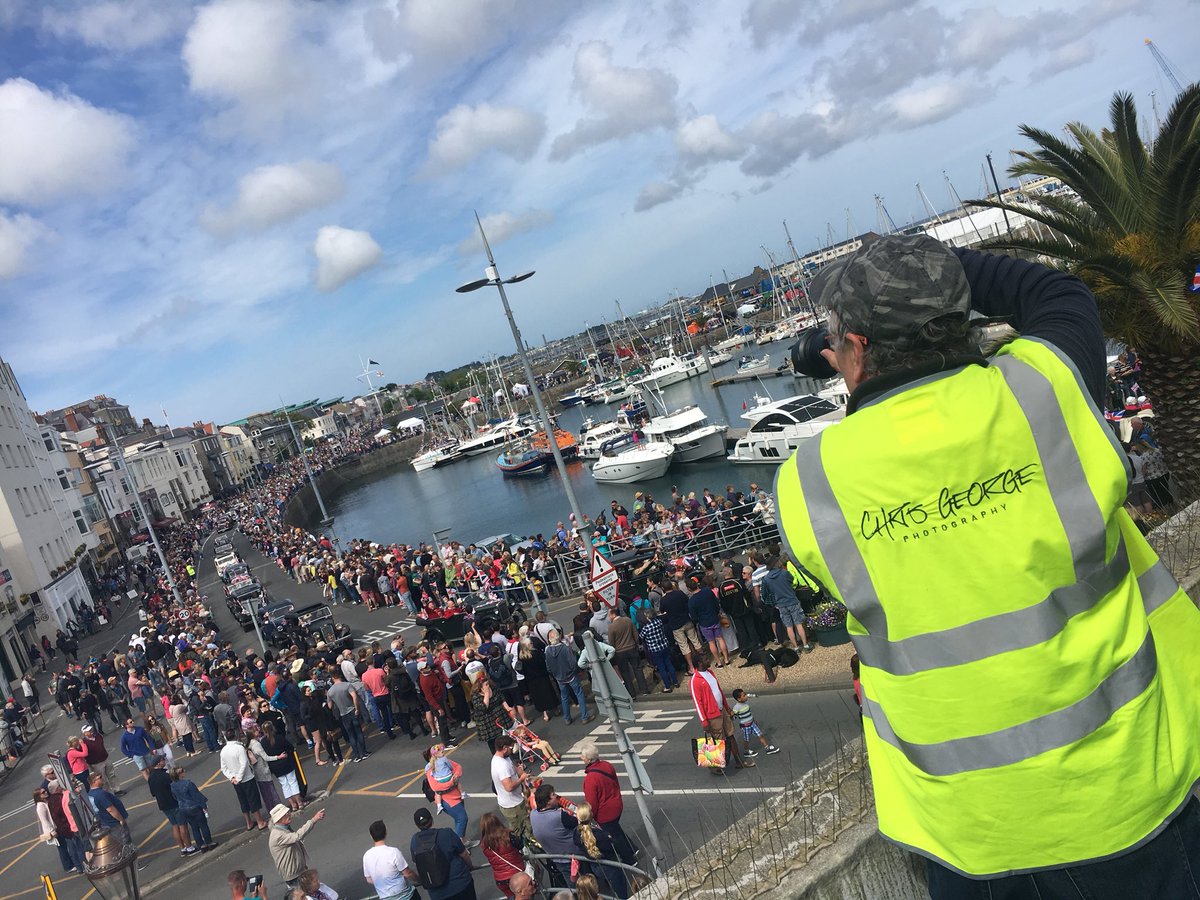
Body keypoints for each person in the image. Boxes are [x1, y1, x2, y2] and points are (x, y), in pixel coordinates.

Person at [773, 234, 1200, 896]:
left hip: (965, 836)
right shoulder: (1044, 389)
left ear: (852, 348)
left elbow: (832, 607)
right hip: (1126, 794)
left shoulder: (809, 483)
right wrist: (931, 272)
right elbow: (1054, 292)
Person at [688, 652, 749, 772]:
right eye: (706, 659)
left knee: (730, 735)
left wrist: (727, 707)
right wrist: (704, 721)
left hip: (722, 710)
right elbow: (698, 703)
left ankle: (738, 761)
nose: (708, 660)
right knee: (718, 741)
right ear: (700, 663)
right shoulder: (695, 681)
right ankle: (716, 766)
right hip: (712, 715)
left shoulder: (710, 673)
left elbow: (719, 691)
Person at [580, 741, 636, 864]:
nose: (581, 758)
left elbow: (592, 803)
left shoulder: (590, 779)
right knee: (616, 828)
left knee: (614, 836)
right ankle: (632, 848)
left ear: (588, 759)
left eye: (582, 756)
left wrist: (589, 817)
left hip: (606, 813)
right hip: (617, 804)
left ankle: (629, 859)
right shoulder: (607, 765)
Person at [409, 806, 475, 900]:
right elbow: (464, 854)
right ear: (431, 819)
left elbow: (418, 864)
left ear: (417, 825)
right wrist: (470, 866)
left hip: (437, 892)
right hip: (460, 883)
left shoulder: (414, 841)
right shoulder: (447, 833)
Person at [573, 802, 630, 899]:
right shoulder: (600, 836)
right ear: (590, 815)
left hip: (595, 866)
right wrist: (610, 837)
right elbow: (612, 846)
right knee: (620, 887)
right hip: (610, 865)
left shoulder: (576, 833)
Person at [268, 804, 327, 890]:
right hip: (293, 876)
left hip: (299, 871)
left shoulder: (283, 828)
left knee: (314, 890)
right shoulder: (277, 835)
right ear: (279, 819)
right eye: (286, 814)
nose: (289, 815)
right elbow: (297, 836)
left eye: (288, 813)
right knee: (305, 894)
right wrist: (314, 820)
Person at [530, 783, 577, 889]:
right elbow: (578, 821)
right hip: (574, 857)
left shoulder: (533, 814)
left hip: (555, 857)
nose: (556, 796)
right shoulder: (560, 816)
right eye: (553, 794)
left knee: (571, 885)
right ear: (548, 801)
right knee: (582, 884)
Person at [147, 755, 195, 855]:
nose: (164, 760)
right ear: (159, 763)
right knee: (182, 825)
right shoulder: (166, 775)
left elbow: (153, 793)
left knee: (174, 825)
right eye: (162, 760)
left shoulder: (151, 777)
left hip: (163, 805)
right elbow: (174, 788)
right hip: (174, 802)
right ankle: (189, 847)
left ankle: (182, 848)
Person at [220, 728, 267, 831]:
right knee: (253, 799)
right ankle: (260, 822)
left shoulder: (223, 751)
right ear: (235, 736)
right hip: (246, 778)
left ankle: (249, 823)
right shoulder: (239, 748)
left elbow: (223, 768)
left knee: (243, 801)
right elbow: (244, 764)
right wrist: (239, 777)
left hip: (235, 781)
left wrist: (232, 777)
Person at [363, 819, 419, 900]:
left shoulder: (366, 856)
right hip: (405, 895)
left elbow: (369, 879)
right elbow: (408, 873)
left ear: (371, 836)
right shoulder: (394, 852)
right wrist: (420, 880)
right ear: (385, 833)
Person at [491, 735, 534, 842]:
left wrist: (522, 773)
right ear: (504, 748)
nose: (512, 750)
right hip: (513, 805)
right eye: (511, 748)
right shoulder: (501, 766)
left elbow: (515, 768)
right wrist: (521, 779)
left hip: (513, 802)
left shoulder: (502, 758)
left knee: (520, 826)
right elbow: (509, 787)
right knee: (524, 828)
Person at [543, 630, 591, 724]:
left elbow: (548, 667)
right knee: (579, 694)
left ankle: (567, 718)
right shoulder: (565, 648)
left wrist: (555, 674)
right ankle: (584, 717)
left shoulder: (548, 650)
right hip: (571, 675)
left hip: (559, 678)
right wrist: (575, 672)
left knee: (564, 697)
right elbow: (573, 663)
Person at [480, 812, 529, 898]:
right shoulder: (508, 836)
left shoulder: (484, 844)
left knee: (512, 897)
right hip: (517, 874)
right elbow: (520, 845)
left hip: (500, 879)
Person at [170, 765, 217, 852]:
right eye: (183, 771)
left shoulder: (172, 785)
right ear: (180, 774)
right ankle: (209, 842)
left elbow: (175, 797)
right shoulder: (188, 783)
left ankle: (201, 845)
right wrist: (204, 806)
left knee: (194, 827)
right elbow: (196, 796)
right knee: (203, 825)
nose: (185, 772)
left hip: (183, 808)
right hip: (194, 807)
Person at [424, 743, 468, 837]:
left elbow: (458, 767)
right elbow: (435, 787)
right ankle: (459, 844)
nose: (442, 753)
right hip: (447, 799)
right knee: (462, 818)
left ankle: (462, 841)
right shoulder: (430, 769)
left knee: (458, 819)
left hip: (456, 794)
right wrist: (452, 782)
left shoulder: (444, 760)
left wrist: (456, 775)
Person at [42, 781, 86, 873]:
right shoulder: (60, 797)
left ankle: (79, 867)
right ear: (57, 788)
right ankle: (84, 865)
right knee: (79, 847)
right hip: (69, 826)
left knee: (72, 848)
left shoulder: (50, 801)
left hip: (63, 828)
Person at [606, 608, 649, 697]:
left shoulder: (611, 627)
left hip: (620, 652)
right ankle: (644, 690)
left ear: (613, 614)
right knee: (638, 669)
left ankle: (632, 693)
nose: (608, 616)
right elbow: (635, 634)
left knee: (625, 673)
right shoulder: (628, 620)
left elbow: (611, 642)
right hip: (632, 648)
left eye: (609, 614)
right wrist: (636, 644)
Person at [327, 670, 369, 762]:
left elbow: (330, 706)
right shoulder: (347, 685)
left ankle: (357, 755)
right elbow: (354, 696)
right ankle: (364, 752)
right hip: (352, 711)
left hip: (343, 714)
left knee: (351, 735)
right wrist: (357, 708)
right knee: (358, 732)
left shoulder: (330, 691)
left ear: (333, 678)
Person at [729, 689, 779, 757]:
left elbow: (749, 713)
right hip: (745, 726)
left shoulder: (746, 703)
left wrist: (753, 720)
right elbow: (733, 715)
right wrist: (731, 716)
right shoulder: (736, 707)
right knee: (746, 739)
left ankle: (767, 748)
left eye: (745, 694)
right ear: (739, 699)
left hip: (752, 723)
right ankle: (746, 751)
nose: (746, 696)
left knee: (760, 735)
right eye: (744, 696)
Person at [119, 716, 157, 780]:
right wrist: (131, 755)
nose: (133, 722)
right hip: (137, 755)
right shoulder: (124, 737)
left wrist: (153, 748)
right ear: (126, 725)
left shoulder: (140, 729)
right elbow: (123, 748)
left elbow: (148, 738)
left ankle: (155, 779)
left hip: (146, 752)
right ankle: (150, 782)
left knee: (151, 767)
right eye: (131, 722)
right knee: (143, 770)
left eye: (132, 721)